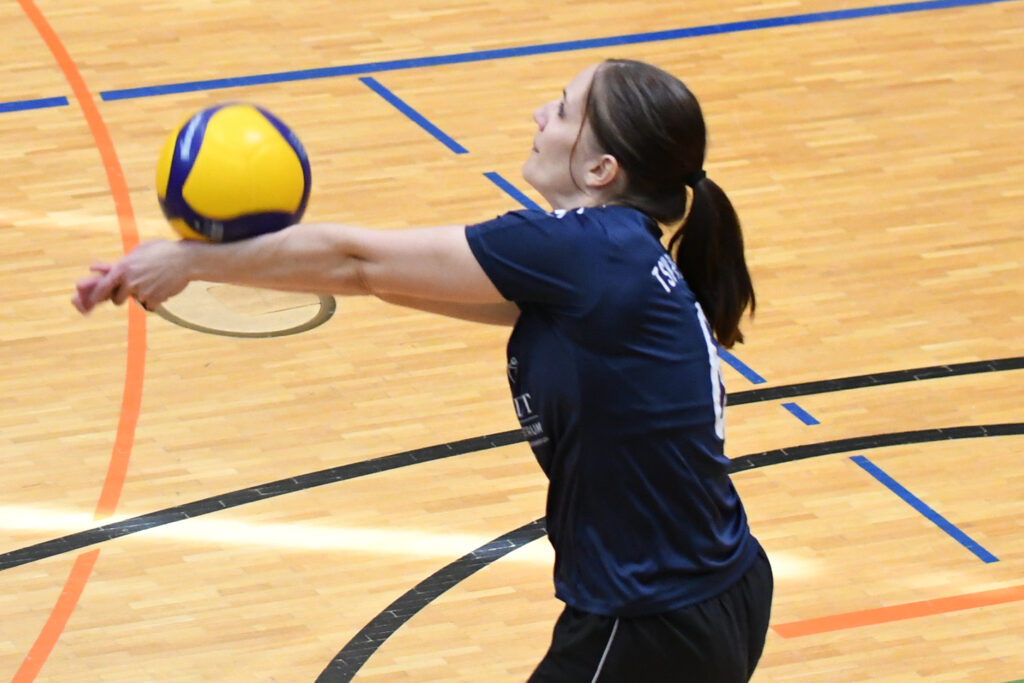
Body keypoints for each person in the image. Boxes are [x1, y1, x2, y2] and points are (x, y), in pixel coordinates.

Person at [73, 59, 772, 682]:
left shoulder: (583, 253)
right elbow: (374, 277)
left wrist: (188, 258)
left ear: (601, 170)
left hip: (653, 620)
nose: (539, 115)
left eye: (562, 111)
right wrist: (192, 268)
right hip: (709, 592)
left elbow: (361, 257)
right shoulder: (609, 261)